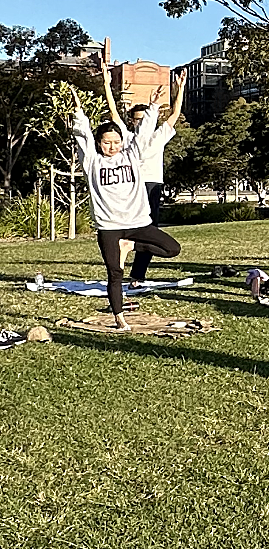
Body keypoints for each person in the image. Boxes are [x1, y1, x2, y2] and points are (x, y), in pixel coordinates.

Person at [70, 80, 183, 330]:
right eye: (106, 143)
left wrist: (153, 105)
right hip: (109, 226)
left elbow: (143, 134)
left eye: (116, 142)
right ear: (99, 143)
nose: (112, 147)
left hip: (137, 223)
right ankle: (120, 319)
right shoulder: (91, 162)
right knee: (115, 274)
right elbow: (83, 136)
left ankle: (130, 245)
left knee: (172, 249)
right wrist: (79, 113)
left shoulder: (132, 155)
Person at [98, 39, 188, 286]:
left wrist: (179, 88)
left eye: (143, 117)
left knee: (152, 228)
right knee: (132, 224)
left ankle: (137, 274)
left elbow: (174, 115)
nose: (139, 122)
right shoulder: (125, 137)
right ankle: (121, 260)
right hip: (133, 186)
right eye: (136, 118)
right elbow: (114, 112)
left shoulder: (159, 135)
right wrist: (107, 84)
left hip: (153, 186)